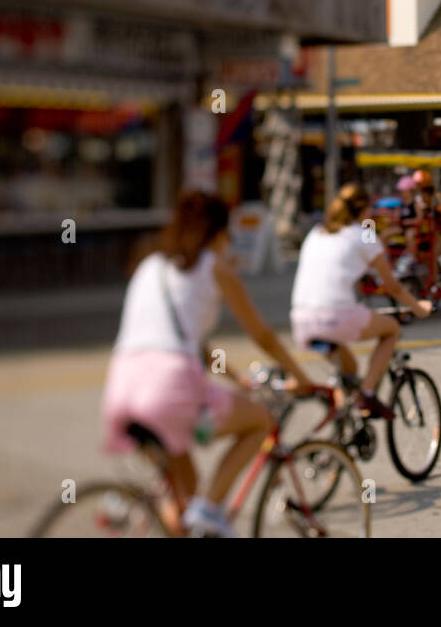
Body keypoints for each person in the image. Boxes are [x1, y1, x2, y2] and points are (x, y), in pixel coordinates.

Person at [101, 191, 317, 538]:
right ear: (217, 232)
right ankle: (211, 511)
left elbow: (196, 345)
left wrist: (235, 379)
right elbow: (262, 335)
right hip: (168, 386)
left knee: (184, 497)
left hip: (122, 387)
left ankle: (186, 517)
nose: (230, 241)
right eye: (227, 232)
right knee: (261, 421)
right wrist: (301, 377)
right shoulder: (214, 267)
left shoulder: (152, 265)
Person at [291, 183, 433, 421]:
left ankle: (339, 427)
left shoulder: (317, 232)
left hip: (301, 320)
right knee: (391, 329)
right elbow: (394, 287)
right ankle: (367, 394)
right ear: (365, 211)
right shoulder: (364, 235)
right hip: (335, 315)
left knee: (349, 370)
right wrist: (419, 308)